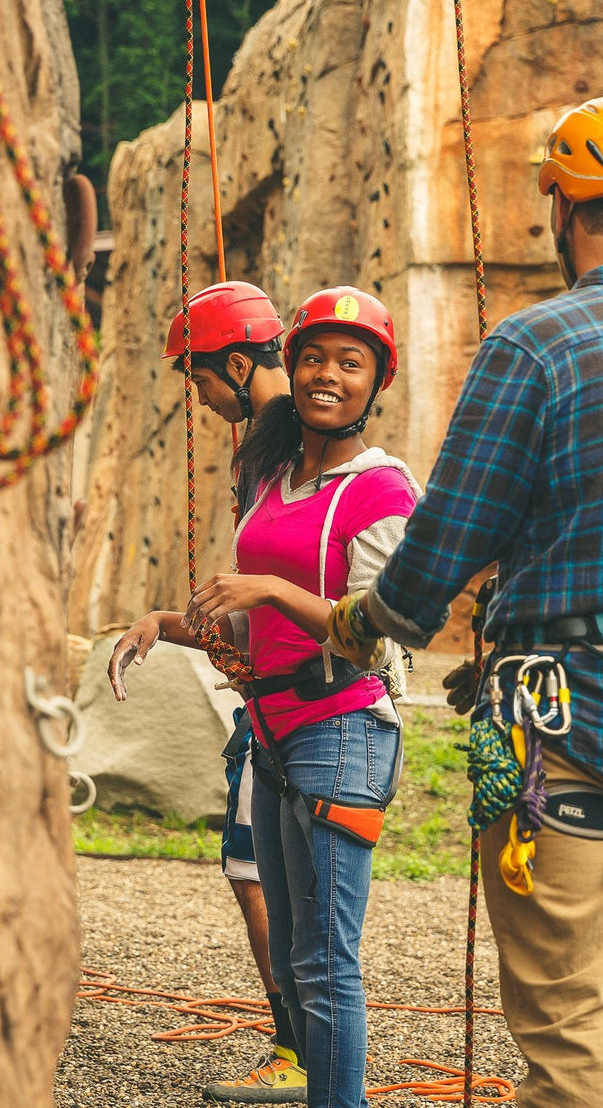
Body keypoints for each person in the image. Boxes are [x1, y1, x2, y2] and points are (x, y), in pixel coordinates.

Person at [324, 97, 603, 1106]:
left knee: (569, 1037)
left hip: (560, 728)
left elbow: (439, 553)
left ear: (561, 205)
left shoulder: (537, 346)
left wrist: (361, 622)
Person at [110, 286, 421, 1108]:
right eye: (312, 357)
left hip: (341, 726)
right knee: (291, 957)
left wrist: (269, 592)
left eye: (348, 364)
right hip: (276, 727)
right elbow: (252, 636)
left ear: (374, 382)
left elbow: (374, 632)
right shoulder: (275, 479)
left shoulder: (381, 489)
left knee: (324, 962)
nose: (324, 376)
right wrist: (169, 625)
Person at [160, 280, 306, 1103]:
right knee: (264, 873)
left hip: (295, 703)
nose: (201, 396)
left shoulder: (279, 442)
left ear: (238, 361)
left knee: (258, 875)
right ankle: (306, 1044)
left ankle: (297, 1048)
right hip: (276, 695)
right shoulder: (273, 440)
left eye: (200, 377)